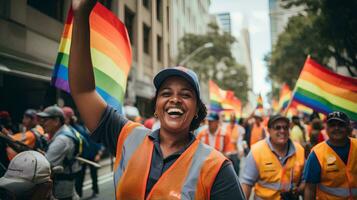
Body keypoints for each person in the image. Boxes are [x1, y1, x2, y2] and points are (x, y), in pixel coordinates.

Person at [68, 1, 245, 199]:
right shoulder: (127, 136)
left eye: (185, 94)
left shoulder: (217, 168)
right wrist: (81, 15)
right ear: (156, 107)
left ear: (197, 110)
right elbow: (83, 91)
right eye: (166, 93)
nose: (175, 99)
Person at [241, 114, 305, 200]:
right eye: (277, 128)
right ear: (269, 131)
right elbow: (247, 184)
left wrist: (297, 190)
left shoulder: (299, 150)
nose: (282, 131)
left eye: (285, 127)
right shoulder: (257, 151)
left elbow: (306, 180)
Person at [303, 111, 357, 200]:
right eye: (332, 125)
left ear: (348, 127)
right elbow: (310, 188)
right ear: (326, 129)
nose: (336, 128)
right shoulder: (317, 154)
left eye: (341, 125)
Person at [37, 105, 81, 200]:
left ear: (56, 121)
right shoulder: (62, 132)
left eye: (45, 120)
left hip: (61, 192)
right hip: (65, 189)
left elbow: (44, 168)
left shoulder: (61, 140)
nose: (41, 123)